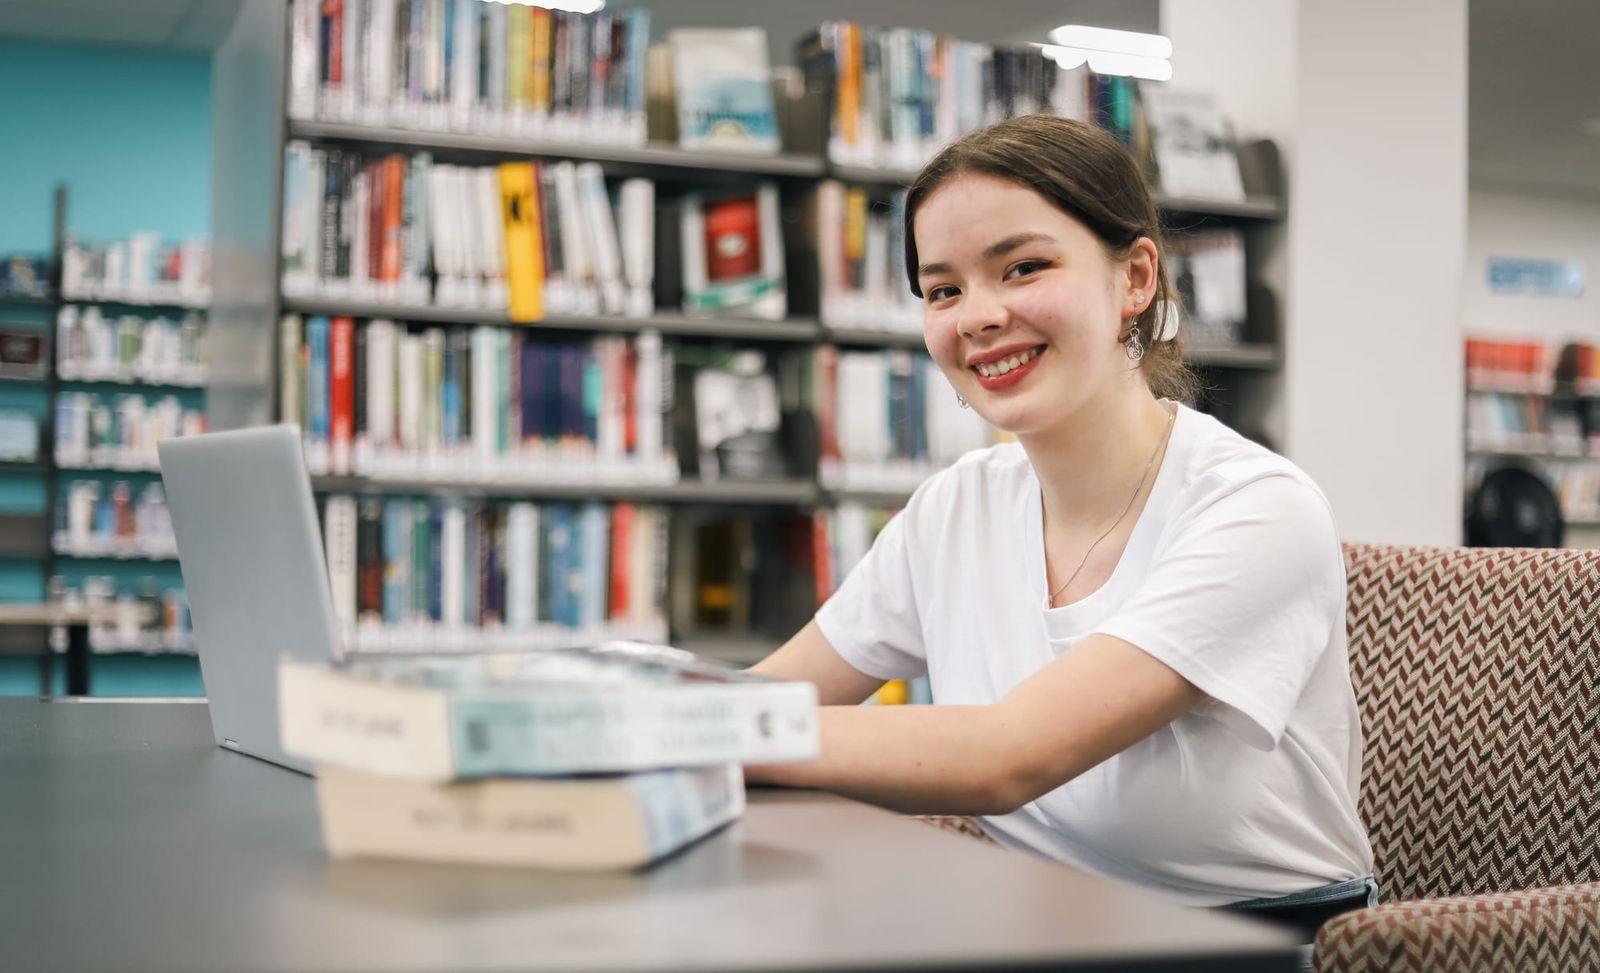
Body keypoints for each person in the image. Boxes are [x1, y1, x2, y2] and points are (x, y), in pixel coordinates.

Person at [748, 114, 1376, 941]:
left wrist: (710, 734)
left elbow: (1010, 756)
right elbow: (777, 692)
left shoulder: (1258, 507)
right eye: (943, 289)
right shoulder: (955, 507)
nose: (977, 315)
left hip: (1251, 940)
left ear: (1136, 278)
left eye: (1024, 267)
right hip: (1036, 919)